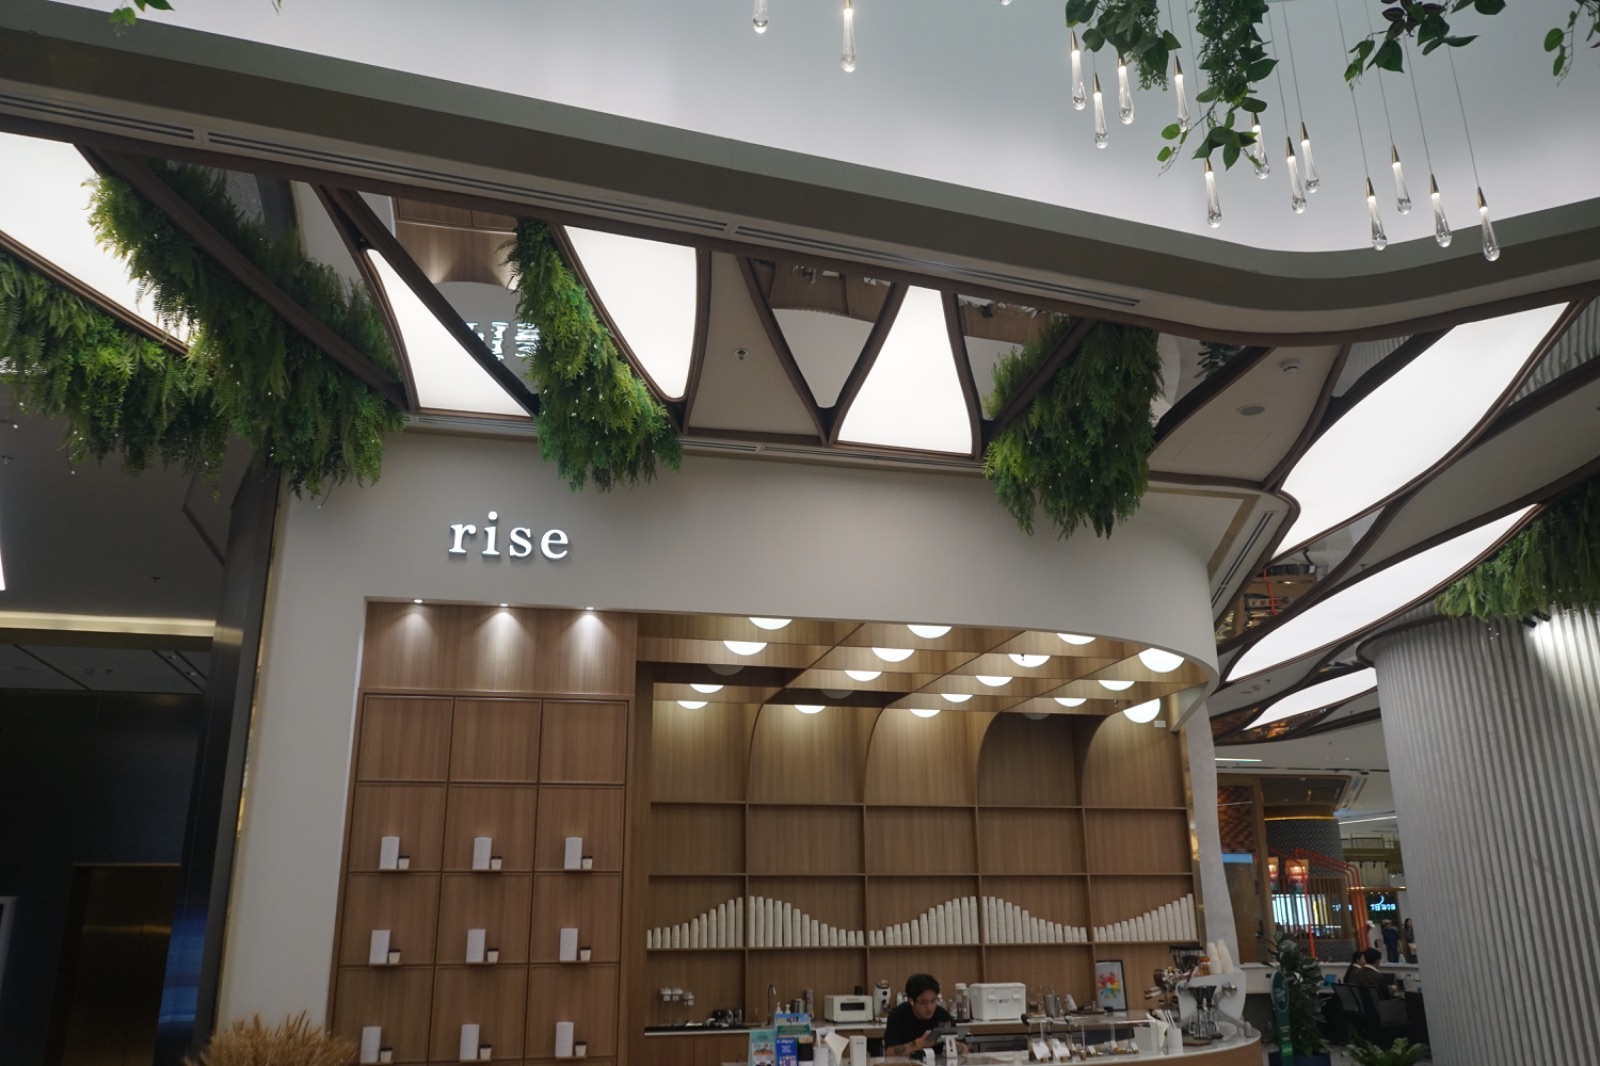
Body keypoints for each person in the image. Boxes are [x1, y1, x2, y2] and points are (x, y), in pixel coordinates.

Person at [882, 973, 963, 1058]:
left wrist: (956, 1046)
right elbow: (889, 1053)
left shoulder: (942, 1015)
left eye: (933, 1001)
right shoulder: (897, 1016)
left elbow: (965, 1048)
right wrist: (919, 1043)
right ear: (911, 1001)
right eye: (924, 1002)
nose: (929, 1008)